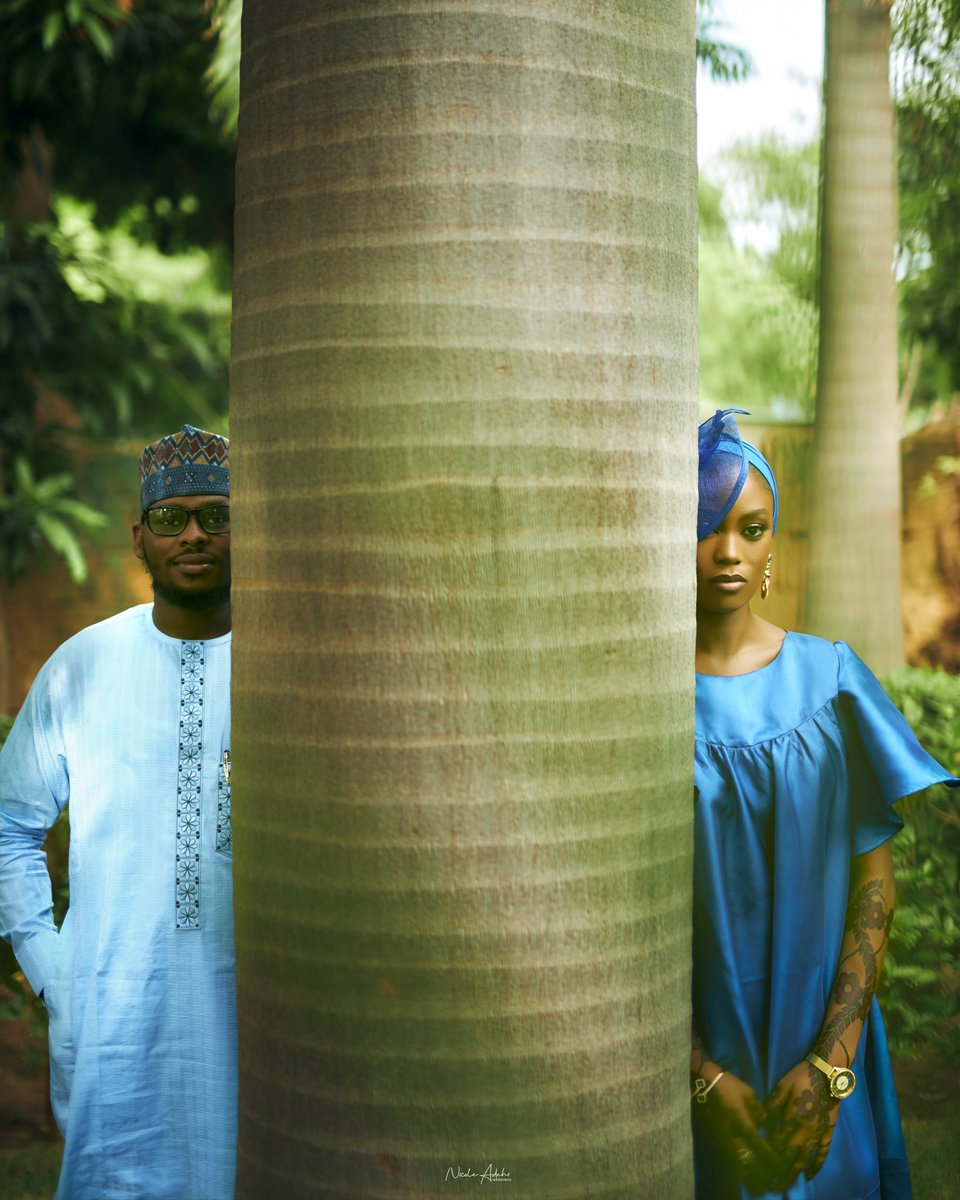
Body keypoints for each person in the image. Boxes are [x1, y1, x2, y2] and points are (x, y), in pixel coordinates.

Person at [689, 409, 957, 1200]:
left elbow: (875, 886)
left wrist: (831, 1067)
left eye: (751, 526)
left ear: (773, 541)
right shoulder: (640, 705)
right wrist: (700, 1077)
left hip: (823, 1068)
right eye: (705, 528)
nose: (728, 552)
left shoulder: (831, 681)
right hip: (704, 1082)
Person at [0, 425, 236, 1200]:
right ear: (140, 538)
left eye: (216, 514)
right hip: (112, 1016)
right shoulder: (83, 665)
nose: (194, 533)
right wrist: (49, 965)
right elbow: (9, 822)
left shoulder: (289, 666)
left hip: (255, 1022)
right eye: (171, 519)